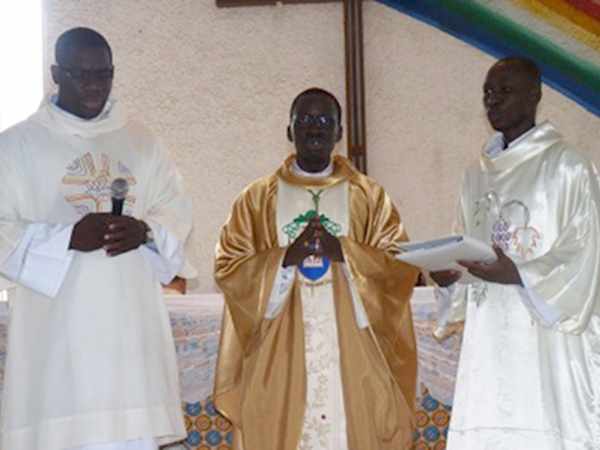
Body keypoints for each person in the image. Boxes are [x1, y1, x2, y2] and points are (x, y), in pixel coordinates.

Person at [0, 27, 194, 450]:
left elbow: (175, 211)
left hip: (130, 344)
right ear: (56, 73)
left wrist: (144, 231)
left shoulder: (143, 144)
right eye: (81, 74)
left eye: (103, 74)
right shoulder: (15, 147)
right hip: (56, 345)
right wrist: (67, 238)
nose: (94, 85)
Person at [213, 88, 419, 450]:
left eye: (325, 120)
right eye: (305, 120)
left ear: (339, 132)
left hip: (352, 352)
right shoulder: (257, 199)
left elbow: (399, 267)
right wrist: (283, 259)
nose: (315, 128)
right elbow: (230, 267)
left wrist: (346, 253)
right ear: (289, 130)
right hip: (280, 353)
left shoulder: (369, 196)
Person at [431, 57, 600, 449]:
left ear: (535, 95)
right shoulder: (474, 174)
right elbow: (463, 246)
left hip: (546, 343)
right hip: (488, 338)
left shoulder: (568, 166)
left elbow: (587, 252)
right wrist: (449, 280)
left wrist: (519, 274)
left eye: (504, 90)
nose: (493, 100)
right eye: (488, 92)